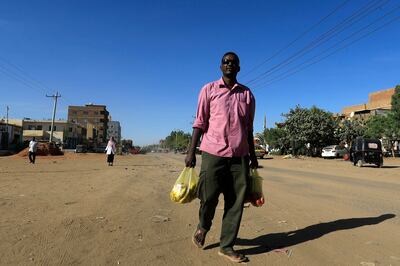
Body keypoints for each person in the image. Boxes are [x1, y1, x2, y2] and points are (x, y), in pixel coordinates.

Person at [185, 52, 258, 263]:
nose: (229, 65)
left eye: (233, 62)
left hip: (239, 156)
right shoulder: (208, 90)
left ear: (239, 68)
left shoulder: (247, 95)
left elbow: (249, 129)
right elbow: (199, 123)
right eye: (226, 62)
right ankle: (203, 226)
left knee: (235, 203)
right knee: (207, 196)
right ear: (220, 66)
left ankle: (226, 246)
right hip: (212, 153)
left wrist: (253, 157)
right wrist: (191, 152)